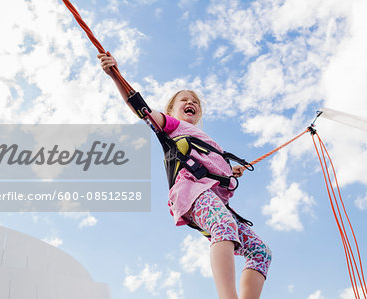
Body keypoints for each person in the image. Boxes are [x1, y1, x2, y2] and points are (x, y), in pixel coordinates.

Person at [98, 53, 272, 299]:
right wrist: (116, 75)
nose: (191, 102)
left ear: (199, 113)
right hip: (191, 192)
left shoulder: (210, 143)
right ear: (171, 110)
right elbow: (141, 109)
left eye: (195, 101)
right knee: (223, 225)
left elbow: (211, 168)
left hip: (213, 199)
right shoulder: (172, 126)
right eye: (184, 100)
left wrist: (229, 170)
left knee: (260, 251)